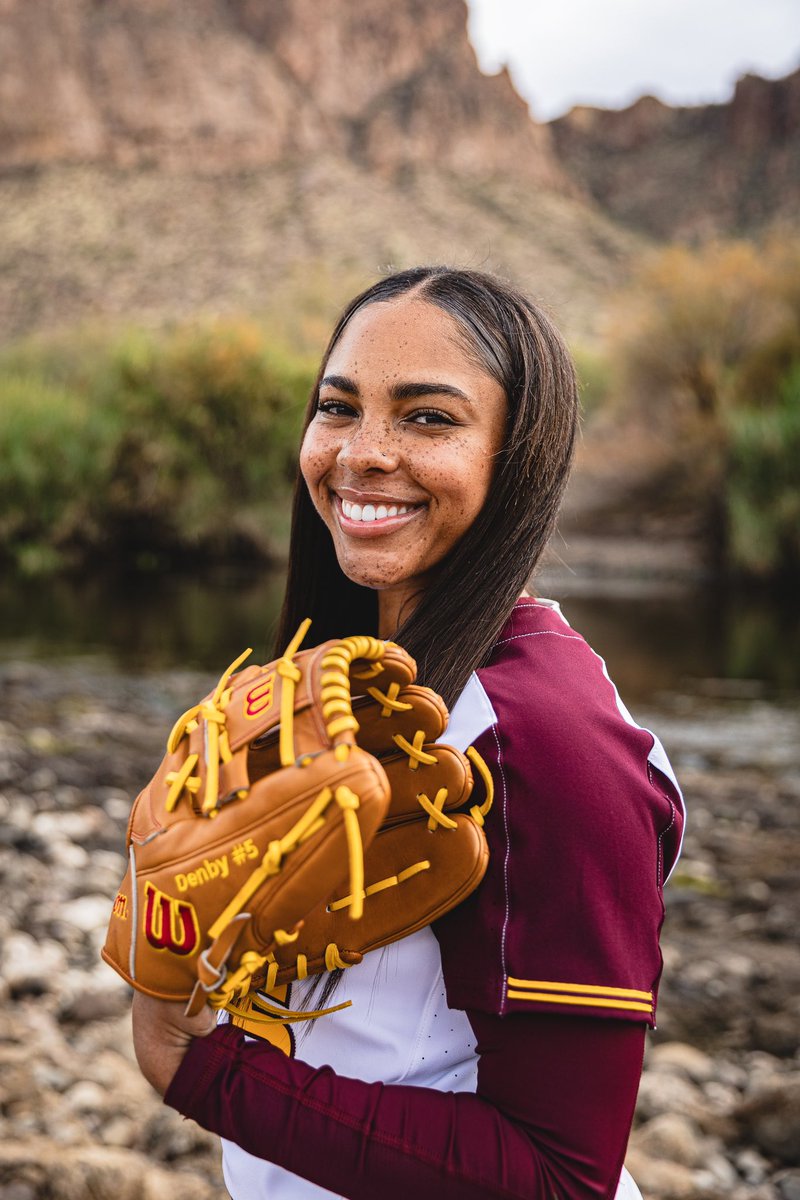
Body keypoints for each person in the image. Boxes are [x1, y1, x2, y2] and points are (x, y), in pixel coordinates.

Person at [131, 266, 685, 1200]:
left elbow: (560, 1176)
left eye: (428, 418)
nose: (362, 453)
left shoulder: (544, 738)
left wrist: (197, 1066)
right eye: (338, 407)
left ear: (520, 456)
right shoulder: (357, 680)